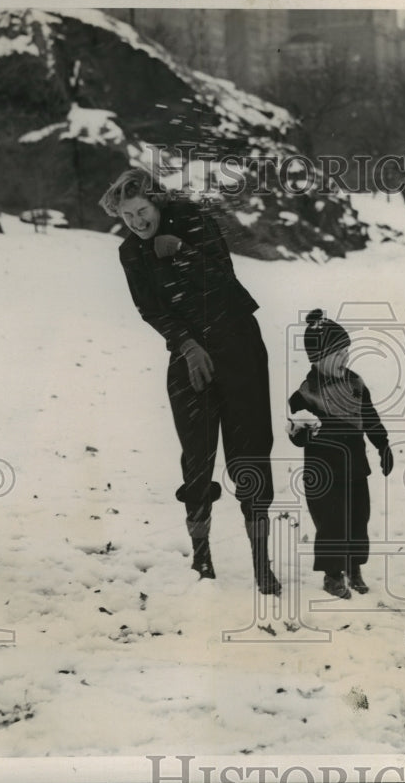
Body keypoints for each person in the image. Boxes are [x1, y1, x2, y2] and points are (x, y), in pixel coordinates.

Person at [98, 168, 280, 595]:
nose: (137, 222)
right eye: (127, 216)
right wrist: (185, 343)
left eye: (141, 211)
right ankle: (202, 557)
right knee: (196, 454)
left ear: (156, 202)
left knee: (250, 452)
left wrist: (181, 251)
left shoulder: (196, 221)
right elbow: (150, 309)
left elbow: (223, 281)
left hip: (239, 347)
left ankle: (261, 563)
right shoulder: (130, 253)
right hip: (189, 356)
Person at [287, 309, 394, 599]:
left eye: (346, 352)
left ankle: (353, 567)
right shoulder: (305, 394)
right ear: (318, 358)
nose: (345, 358)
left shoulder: (356, 384)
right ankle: (332, 575)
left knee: (359, 519)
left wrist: (382, 445)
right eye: (338, 354)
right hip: (323, 473)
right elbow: (296, 433)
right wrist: (302, 433)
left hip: (356, 468)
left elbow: (370, 417)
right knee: (331, 524)